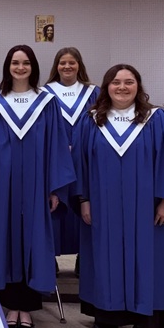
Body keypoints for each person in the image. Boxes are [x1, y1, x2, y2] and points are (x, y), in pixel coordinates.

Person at [73, 64, 164, 328]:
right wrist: (84, 199)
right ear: (106, 86)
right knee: (104, 255)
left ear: (138, 86)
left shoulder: (157, 119)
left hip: (146, 207)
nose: (122, 87)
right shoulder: (92, 120)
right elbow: (81, 164)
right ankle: (108, 315)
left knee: (147, 258)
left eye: (129, 82)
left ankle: (146, 320)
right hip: (102, 205)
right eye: (116, 82)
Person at [0, 45, 74, 328]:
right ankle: (9, 305)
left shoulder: (46, 103)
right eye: (15, 63)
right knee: (2, 239)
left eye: (26, 63)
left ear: (33, 67)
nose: (20, 67)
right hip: (0, 187)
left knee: (32, 239)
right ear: (8, 66)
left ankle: (26, 308)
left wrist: (54, 188)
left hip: (35, 186)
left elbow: (57, 145)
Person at [43, 47, 99, 259]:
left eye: (71, 63)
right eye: (62, 63)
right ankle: (50, 257)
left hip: (85, 160)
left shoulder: (94, 92)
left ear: (79, 66)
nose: (67, 66)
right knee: (54, 207)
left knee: (83, 204)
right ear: (56, 66)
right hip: (54, 161)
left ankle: (84, 258)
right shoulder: (44, 94)